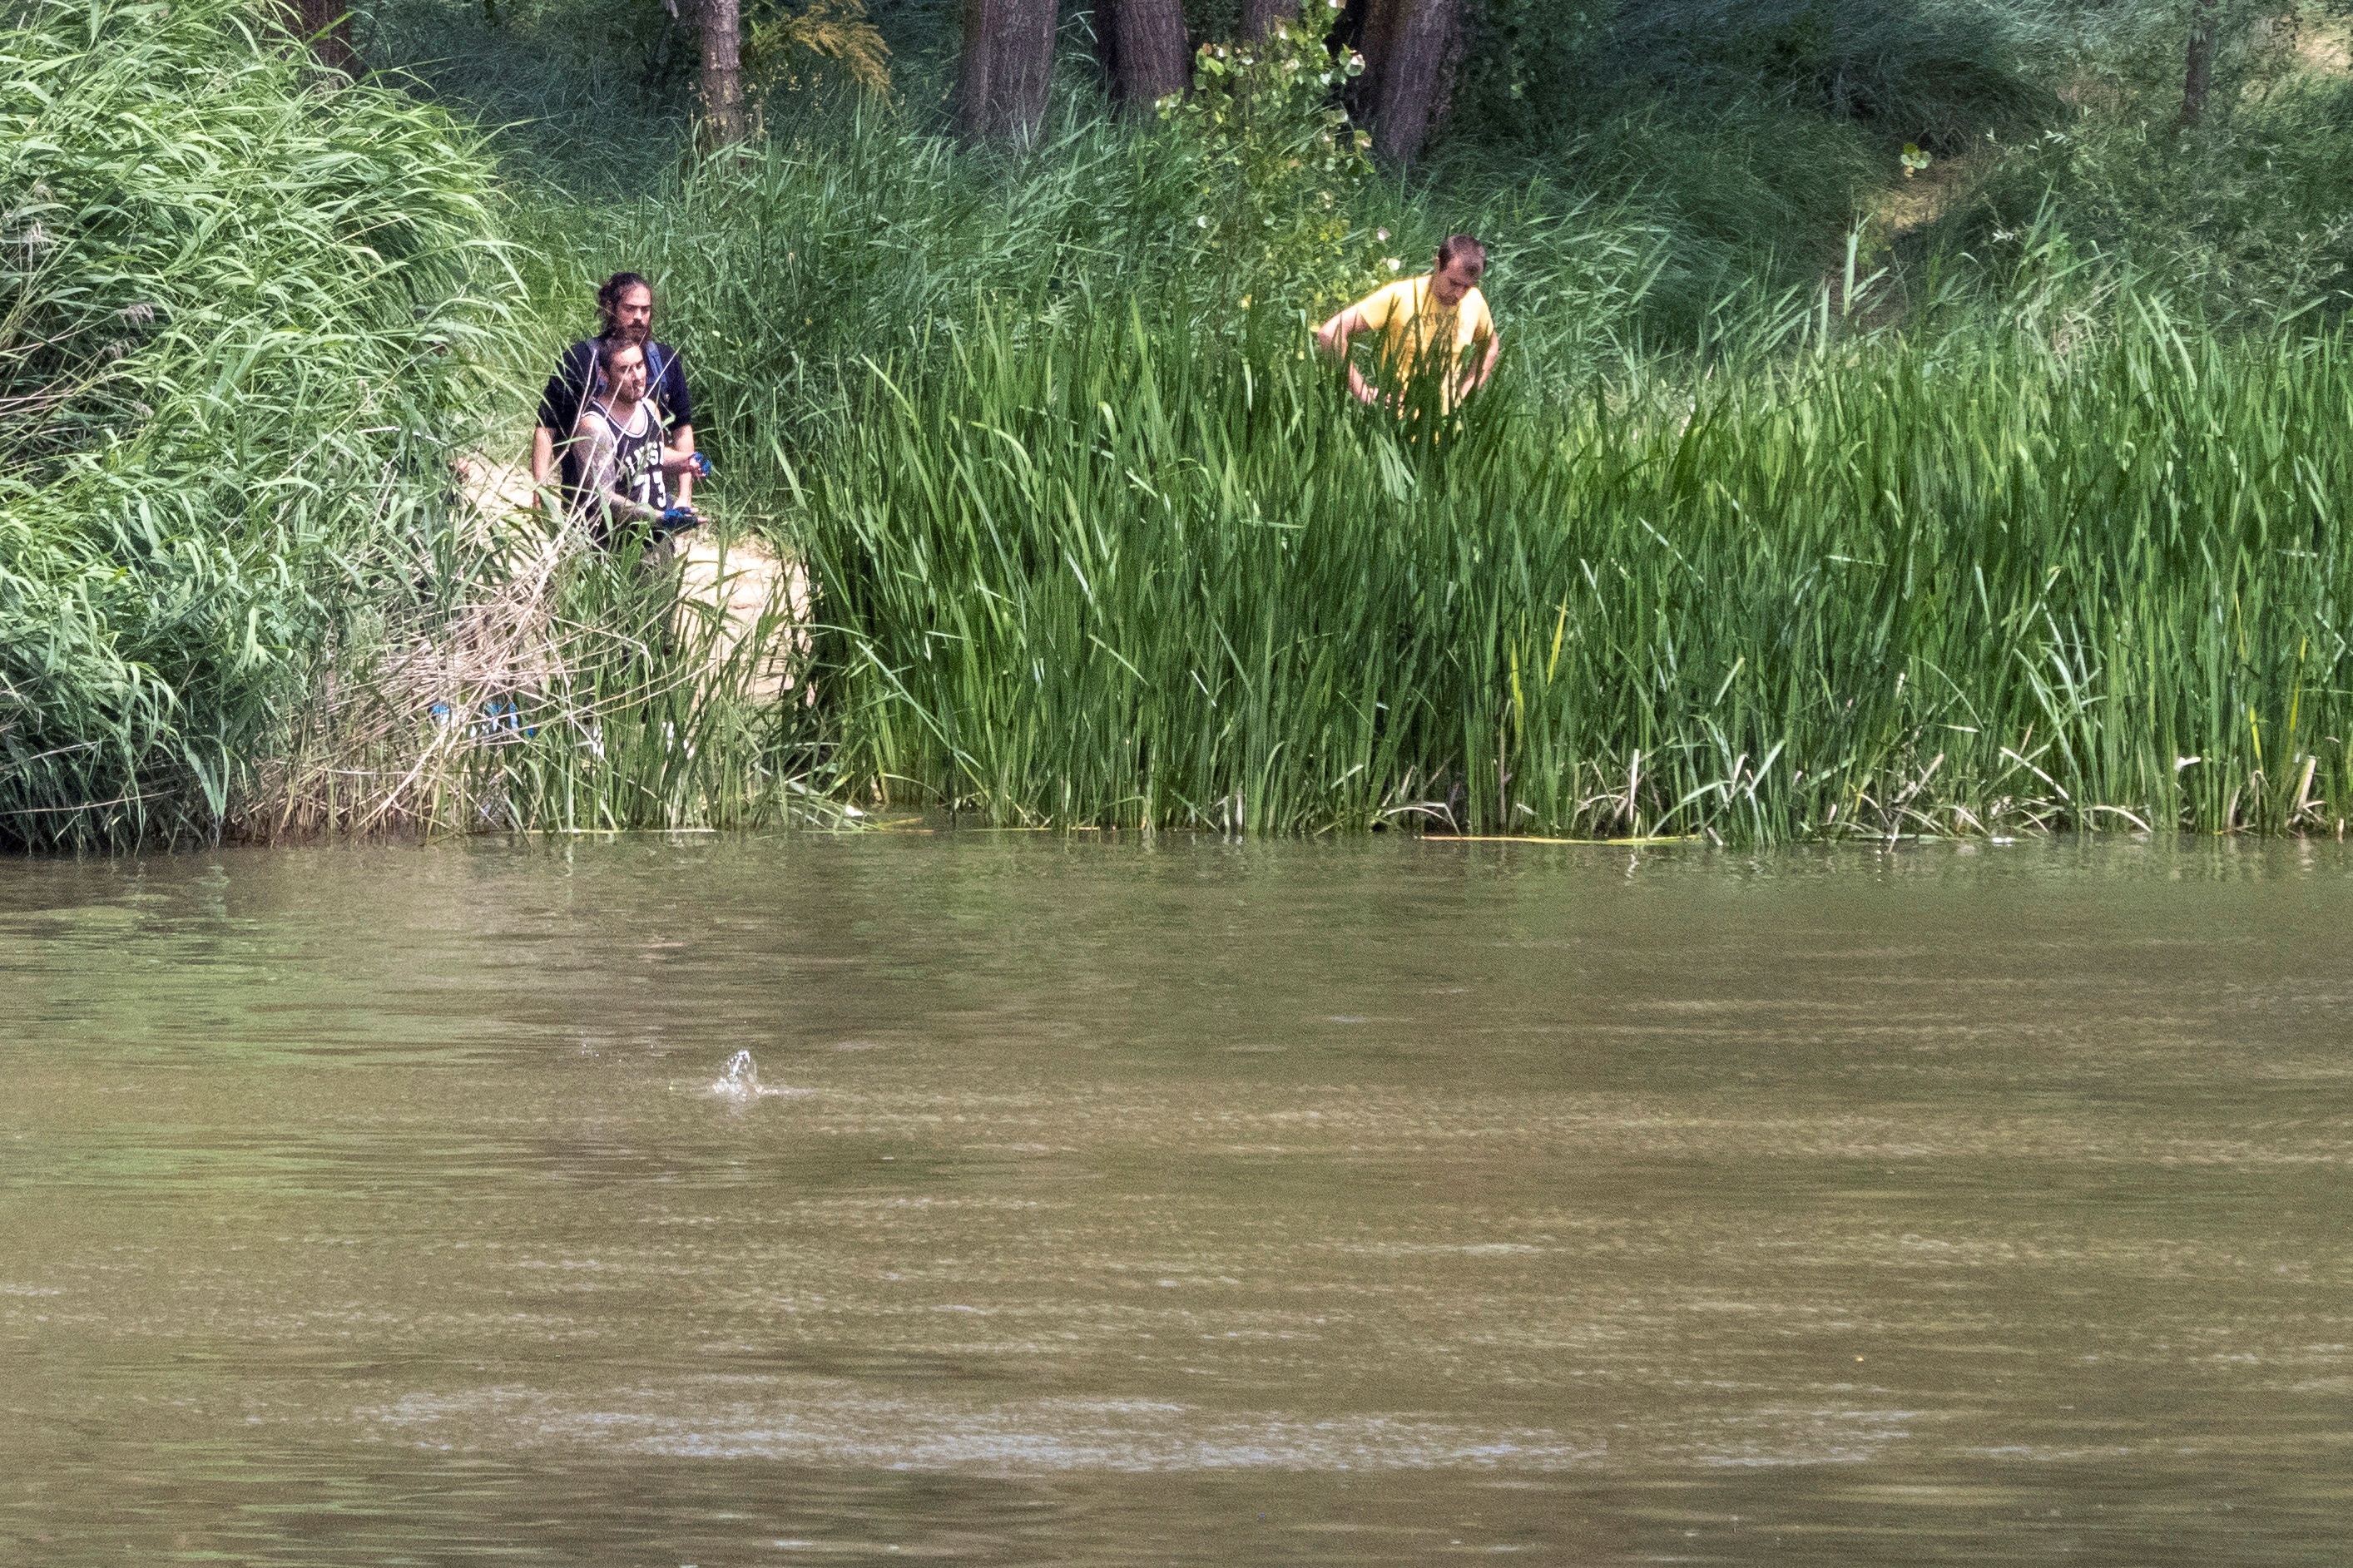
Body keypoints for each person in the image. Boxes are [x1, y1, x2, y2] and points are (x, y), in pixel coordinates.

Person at [532, 272, 698, 512]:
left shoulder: (664, 361)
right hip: (587, 508)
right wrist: (541, 491)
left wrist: (684, 496)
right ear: (610, 308)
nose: (639, 317)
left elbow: (682, 429)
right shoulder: (579, 360)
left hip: (652, 510)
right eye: (630, 309)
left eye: (645, 309)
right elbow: (546, 428)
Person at [1315, 235, 1502, 414]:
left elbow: (1490, 347)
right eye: (1453, 283)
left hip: (1445, 424)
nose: (1459, 294)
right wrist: (1363, 392)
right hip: (1395, 423)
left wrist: (1465, 395)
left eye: (1467, 287)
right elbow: (1330, 333)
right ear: (1437, 265)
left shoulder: (1475, 302)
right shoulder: (1401, 295)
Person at [572, 337, 702, 548]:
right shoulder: (595, 426)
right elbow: (602, 498)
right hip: (618, 546)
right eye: (625, 370)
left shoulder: (650, 409)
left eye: (640, 366)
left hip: (658, 539)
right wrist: (658, 516)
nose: (637, 377)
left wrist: (688, 460)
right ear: (604, 375)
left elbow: (653, 456)